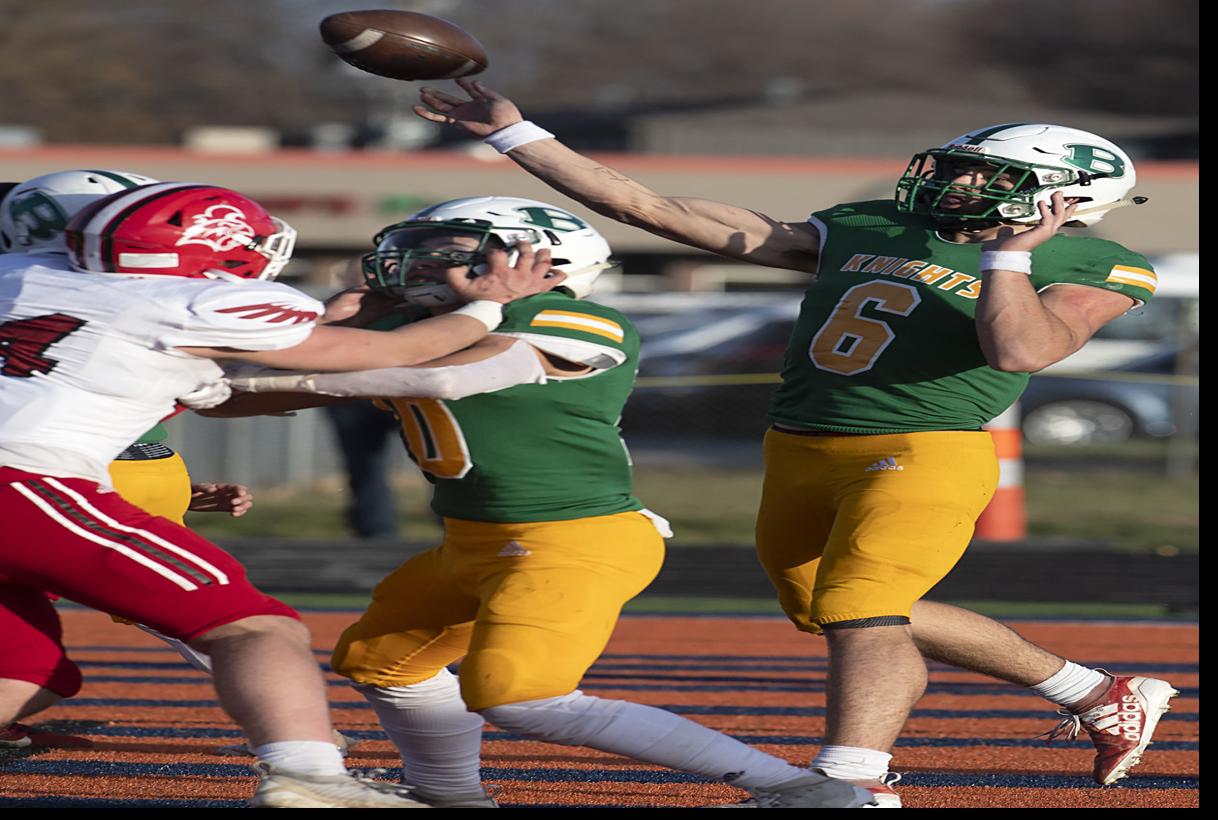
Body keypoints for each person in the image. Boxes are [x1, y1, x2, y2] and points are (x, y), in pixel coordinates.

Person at [413, 80, 1179, 804]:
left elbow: (1022, 351)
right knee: (835, 608)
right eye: (963, 170)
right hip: (800, 445)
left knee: (863, 609)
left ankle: (850, 784)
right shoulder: (870, 224)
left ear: (1063, 198)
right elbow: (656, 209)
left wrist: (1007, 254)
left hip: (924, 448)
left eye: (986, 176)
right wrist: (517, 135)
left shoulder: (1096, 262)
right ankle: (1094, 691)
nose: (960, 185)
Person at [223, 196, 877, 809]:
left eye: (454, 250)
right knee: (380, 658)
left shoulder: (576, 317)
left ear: (543, 259)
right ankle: (447, 792)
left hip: (575, 540)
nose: (425, 264)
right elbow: (246, 393)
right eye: (423, 249)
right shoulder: (418, 327)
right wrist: (330, 328)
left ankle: (798, 789)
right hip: (472, 540)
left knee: (519, 696)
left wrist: (327, 358)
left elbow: (447, 376)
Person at [0, 180, 559, 806]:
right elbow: (397, 351)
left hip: (23, 478)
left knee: (23, 673)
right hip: (20, 482)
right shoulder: (186, 302)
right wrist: (490, 303)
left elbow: (192, 373)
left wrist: (327, 324)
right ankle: (311, 779)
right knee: (253, 627)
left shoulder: (21, 275)